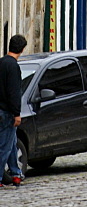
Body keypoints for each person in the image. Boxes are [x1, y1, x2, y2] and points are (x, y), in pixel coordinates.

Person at [0, 35, 27, 188]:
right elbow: (14, 92)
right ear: (22, 49)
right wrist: (17, 114)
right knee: (4, 146)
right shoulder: (13, 67)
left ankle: (16, 173)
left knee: (12, 143)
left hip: (2, 110)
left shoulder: (1, 63)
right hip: (7, 112)